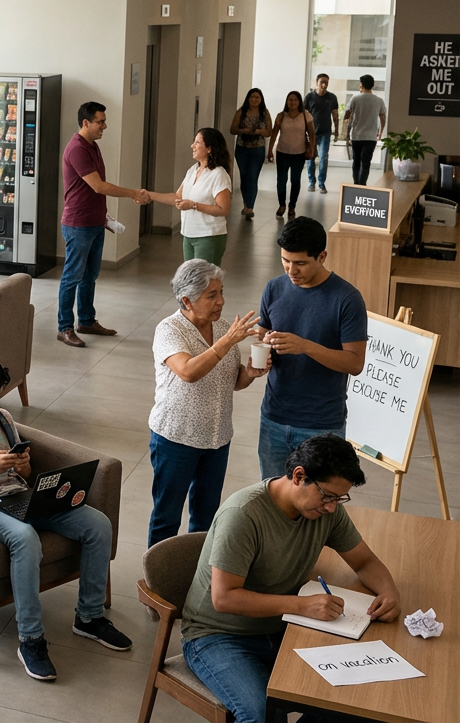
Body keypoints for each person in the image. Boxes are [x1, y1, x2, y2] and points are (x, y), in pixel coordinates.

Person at [0, 350, 131, 682]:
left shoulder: (3, 419)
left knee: (98, 524)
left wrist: (23, 466)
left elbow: (26, 469)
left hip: (20, 494)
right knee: (25, 538)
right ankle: (31, 639)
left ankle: (90, 618)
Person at [180, 435, 401, 723]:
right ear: (299, 476)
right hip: (217, 635)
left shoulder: (326, 511)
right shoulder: (243, 515)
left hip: (280, 628)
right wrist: (301, 606)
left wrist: (389, 591)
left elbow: (364, 561)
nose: (333, 507)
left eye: (340, 498)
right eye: (328, 496)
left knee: (354, 699)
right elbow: (224, 598)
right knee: (262, 715)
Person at [147, 260, 269, 547]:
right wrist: (227, 342)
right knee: (166, 517)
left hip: (216, 440)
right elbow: (188, 371)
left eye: (221, 292)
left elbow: (233, 381)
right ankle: (157, 579)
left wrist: (249, 373)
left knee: (205, 518)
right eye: (211, 295)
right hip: (176, 438)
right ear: (187, 300)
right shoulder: (169, 330)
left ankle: (194, 576)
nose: (221, 301)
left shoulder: (222, 327)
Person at [256, 217, 366, 480]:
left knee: (318, 502)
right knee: (273, 500)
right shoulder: (274, 288)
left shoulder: (347, 299)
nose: (291, 270)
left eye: (300, 263)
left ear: (322, 256)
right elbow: (262, 334)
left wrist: (305, 346)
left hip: (322, 424)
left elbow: (355, 363)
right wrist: (262, 344)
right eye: (285, 260)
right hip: (274, 417)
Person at [56, 102, 149, 348]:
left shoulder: (92, 146)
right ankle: (64, 327)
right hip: (78, 224)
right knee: (72, 277)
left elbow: (95, 191)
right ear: (86, 123)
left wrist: (104, 216)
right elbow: (98, 186)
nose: (104, 126)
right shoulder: (77, 148)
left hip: (95, 221)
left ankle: (86, 320)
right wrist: (132, 193)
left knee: (90, 276)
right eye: (100, 122)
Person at [147, 129, 233, 265]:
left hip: (208, 236)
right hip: (189, 234)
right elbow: (177, 197)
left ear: (209, 148)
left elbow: (224, 209)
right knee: (192, 281)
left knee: (204, 281)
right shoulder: (193, 170)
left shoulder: (218, 174)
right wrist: (150, 195)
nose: (192, 146)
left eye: (197, 142)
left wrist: (194, 205)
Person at [266, 91, 316, 220]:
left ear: (299, 102)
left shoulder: (306, 116)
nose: (292, 102)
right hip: (282, 152)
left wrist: (311, 148)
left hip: (298, 153)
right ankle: (281, 205)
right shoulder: (281, 116)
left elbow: (311, 134)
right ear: (286, 102)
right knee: (281, 180)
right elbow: (274, 133)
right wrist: (270, 149)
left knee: (295, 180)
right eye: (290, 100)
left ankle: (292, 206)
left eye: (295, 100)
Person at [229, 88, 273, 220]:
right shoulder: (240, 112)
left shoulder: (264, 113)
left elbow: (269, 132)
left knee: (253, 177)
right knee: (244, 176)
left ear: (261, 100)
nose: (254, 99)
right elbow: (232, 130)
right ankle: (246, 201)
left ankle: (250, 207)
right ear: (248, 98)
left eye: (257, 97)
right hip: (242, 148)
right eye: (252, 97)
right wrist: (244, 130)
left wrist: (259, 131)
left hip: (257, 149)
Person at [342, 74, 387, 186]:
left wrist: (346, 127)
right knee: (366, 162)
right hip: (371, 137)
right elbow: (382, 118)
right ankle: (362, 184)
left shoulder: (355, 98)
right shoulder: (379, 100)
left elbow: (347, 114)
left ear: (361, 85)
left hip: (356, 135)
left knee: (356, 161)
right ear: (372, 85)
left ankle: (356, 183)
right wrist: (381, 132)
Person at [304, 73, 339, 194]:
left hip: (325, 132)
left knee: (323, 157)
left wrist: (337, 130)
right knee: (311, 158)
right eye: (321, 82)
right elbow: (305, 115)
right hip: (312, 132)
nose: (324, 85)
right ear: (316, 82)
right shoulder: (309, 97)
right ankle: (311, 182)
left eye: (326, 83)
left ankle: (321, 183)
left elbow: (335, 115)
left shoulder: (332, 98)